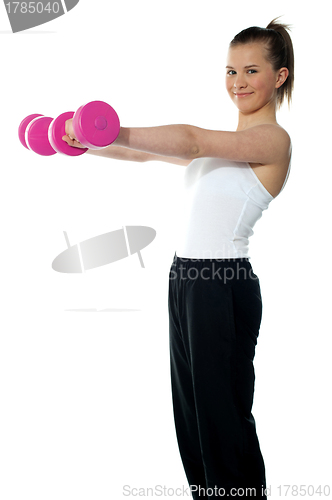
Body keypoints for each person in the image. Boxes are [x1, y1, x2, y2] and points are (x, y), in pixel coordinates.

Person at [63, 17, 294, 499]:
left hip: (221, 284)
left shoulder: (271, 142)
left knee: (222, 417)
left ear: (280, 76)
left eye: (252, 71)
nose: (238, 82)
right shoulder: (221, 150)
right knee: (191, 418)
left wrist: (115, 125)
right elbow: (141, 155)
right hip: (186, 279)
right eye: (230, 71)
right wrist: (82, 141)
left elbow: (189, 139)